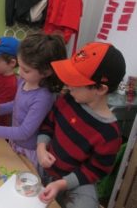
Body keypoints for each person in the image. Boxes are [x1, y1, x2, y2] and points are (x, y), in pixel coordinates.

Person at [36, 42, 126, 208]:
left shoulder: (110, 134)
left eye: (74, 81)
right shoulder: (67, 100)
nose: (67, 85)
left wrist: (61, 184)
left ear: (100, 89)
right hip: (47, 167)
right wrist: (41, 147)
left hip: (75, 182)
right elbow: (48, 125)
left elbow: (94, 171)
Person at [0, 31, 67, 166]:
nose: (19, 72)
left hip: (29, 151)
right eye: (20, 67)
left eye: (26, 70)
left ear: (46, 72)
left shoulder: (43, 98)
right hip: (15, 143)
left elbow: (24, 132)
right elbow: (18, 103)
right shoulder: (25, 81)